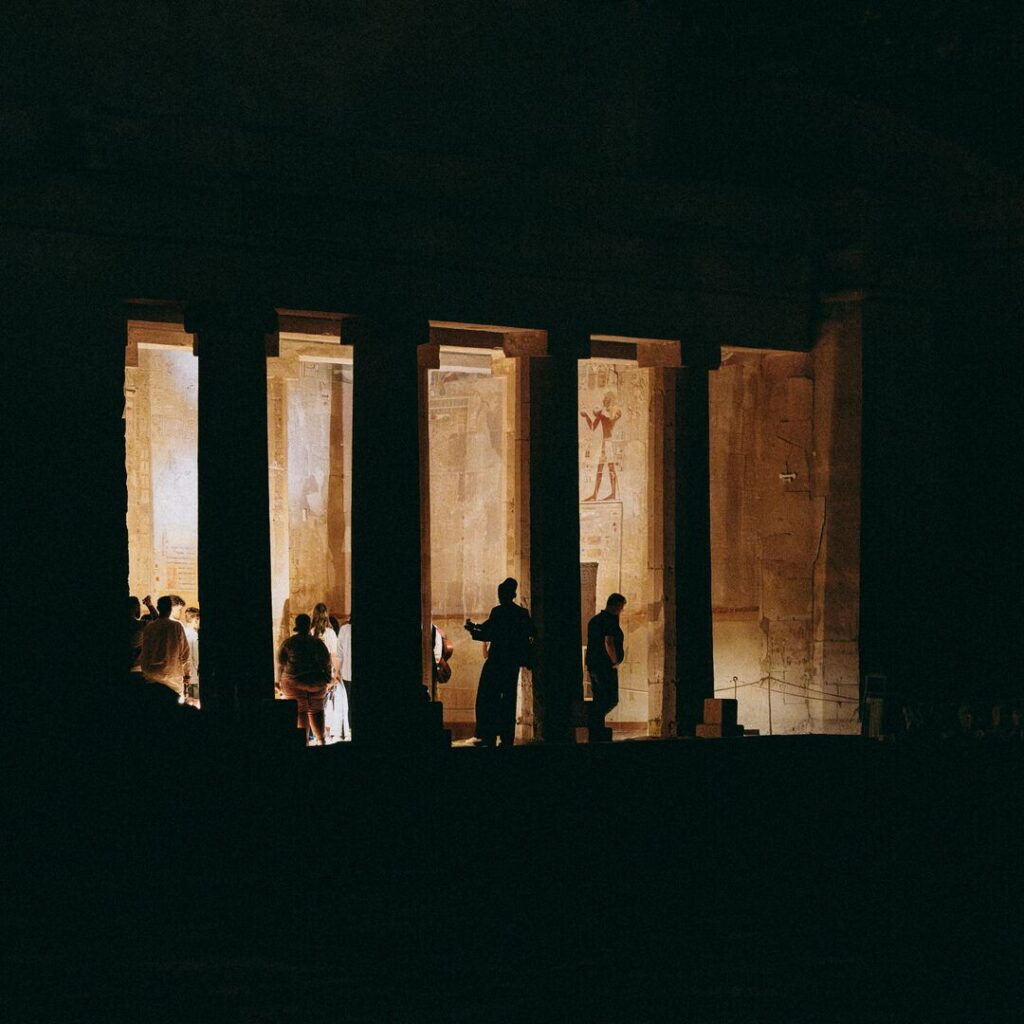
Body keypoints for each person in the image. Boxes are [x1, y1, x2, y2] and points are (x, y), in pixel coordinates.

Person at [464, 578, 536, 748]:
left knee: (487, 697)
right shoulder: (522, 614)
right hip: (512, 663)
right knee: (509, 699)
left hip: (496, 661)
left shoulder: (498, 612)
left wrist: (472, 629)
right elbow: (532, 634)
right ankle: (506, 735)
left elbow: (488, 631)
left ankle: (487, 732)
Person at [278, 613, 332, 745]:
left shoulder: (289, 643)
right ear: (309, 626)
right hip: (315, 684)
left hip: (293, 684)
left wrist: (279, 681)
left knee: (300, 712)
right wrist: (327, 679)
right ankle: (321, 741)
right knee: (316, 710)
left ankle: (304, 745)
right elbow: (327, 662)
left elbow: (280, 662)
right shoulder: (318, 643)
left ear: (296, 625)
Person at [585, 593, 626, 742]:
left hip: (593, 664)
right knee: (610, 698)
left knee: (600, 698)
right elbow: (608, 642)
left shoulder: (594, 620)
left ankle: (597, 728)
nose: (621, 610)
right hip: (604, 665)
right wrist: (614, 660)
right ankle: (593, 722)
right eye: (621, 607)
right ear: (615, 605)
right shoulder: (609, 621)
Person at [140, 594, 192, 702]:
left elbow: (145, 652)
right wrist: (187, 674)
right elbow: (185, 653)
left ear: (158, 608)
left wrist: (146, 672)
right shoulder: (176, 626)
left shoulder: (150, 627)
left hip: (152, 676)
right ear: (171, 609)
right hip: (172, 678)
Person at [581, 391, 622, 502]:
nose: (604, 401)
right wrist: (586, 416)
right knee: (600, 469)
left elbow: (611, 419)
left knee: (611, 469)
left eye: (606, 400)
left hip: (610, 443)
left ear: (610, 401)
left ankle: (613, 494)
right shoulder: (603, 413)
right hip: (605, 443)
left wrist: (601, 413)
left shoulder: (615, 411)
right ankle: (595, 495)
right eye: (604, 400)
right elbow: (593, 426)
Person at [182, 607, 200, 705]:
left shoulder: (182, 632)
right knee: (195, 701)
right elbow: (196, 657)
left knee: (187, 699)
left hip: (183, 673)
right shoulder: (194, 635)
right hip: (193, 674)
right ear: (195, 619)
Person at [128, 596, 146, 679]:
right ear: (136, 608)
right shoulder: (139, 625)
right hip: (136, 665)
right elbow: (158, 620)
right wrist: (149, 605)